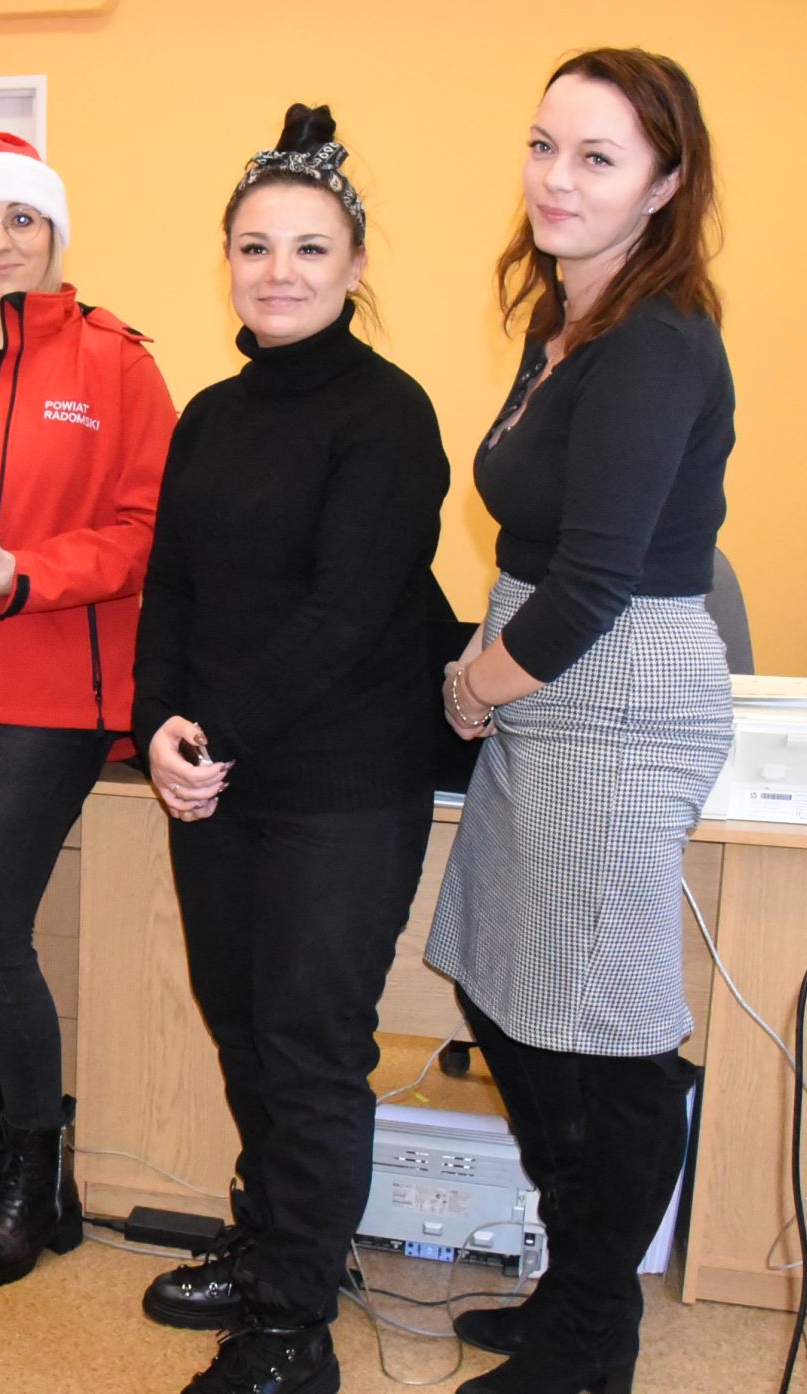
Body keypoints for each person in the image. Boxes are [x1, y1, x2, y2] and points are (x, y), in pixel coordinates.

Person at [424, 49, 732, 1394]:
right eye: (545, 145)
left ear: (663, 184)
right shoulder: (563, 316)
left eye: (597, 157)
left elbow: (598, 579)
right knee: (505, 990)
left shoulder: (656, 338)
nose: (556, 178)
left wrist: (474, 684)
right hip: (543, 678)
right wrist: (492, 668)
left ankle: (592, 1335)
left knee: (608, 1038)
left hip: (612, 695)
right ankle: (576, 1288)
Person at [132, 105, 450, 1392]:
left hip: (340, 782)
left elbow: (346, 611)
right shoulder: (210, 413)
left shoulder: (388, 415)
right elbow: (169, 587)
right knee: (243, 1028)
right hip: (217, 775)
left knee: (311, 1044)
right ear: (226, 258)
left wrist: (208, 731)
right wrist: (155, 723)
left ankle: (292, 1326)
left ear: (355, 266)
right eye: (255, 246)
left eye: (310, 248)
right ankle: (267, 1240)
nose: (279, 271)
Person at [0, 132, 177, 1289]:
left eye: (20, 218)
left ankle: (36, 1169)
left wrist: (23, 571)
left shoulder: (115, 362)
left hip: (52, 684)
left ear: (53, 231)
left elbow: (148, 530)